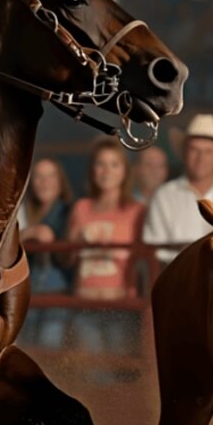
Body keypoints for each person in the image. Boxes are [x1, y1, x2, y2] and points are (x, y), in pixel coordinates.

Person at [64, 138, 146, 356]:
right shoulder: (81, 208)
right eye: (101, 164)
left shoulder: (137, 210)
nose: (106, 171)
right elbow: (68, 258)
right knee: (90, 374)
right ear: (92, 170)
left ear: (124, 171)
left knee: (119, 372)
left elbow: (143, 261)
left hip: (120, 306)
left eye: (114, 164)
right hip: (84, 304)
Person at [143, 114, 213, 263]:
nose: (201, 158)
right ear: (184, 153)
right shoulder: (164, 196)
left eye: (208, 151)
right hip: (174, 280)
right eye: (194, 150)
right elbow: (155, 251)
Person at [17, 158, 74, 348]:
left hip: (57, 293)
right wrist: (31, 233)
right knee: (25, 348)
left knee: (50, 348)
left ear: (60, 181)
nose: (45, 182)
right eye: (39, 177)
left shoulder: (70, 211)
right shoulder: (22, 211)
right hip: (27, 294)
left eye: (51, 176)